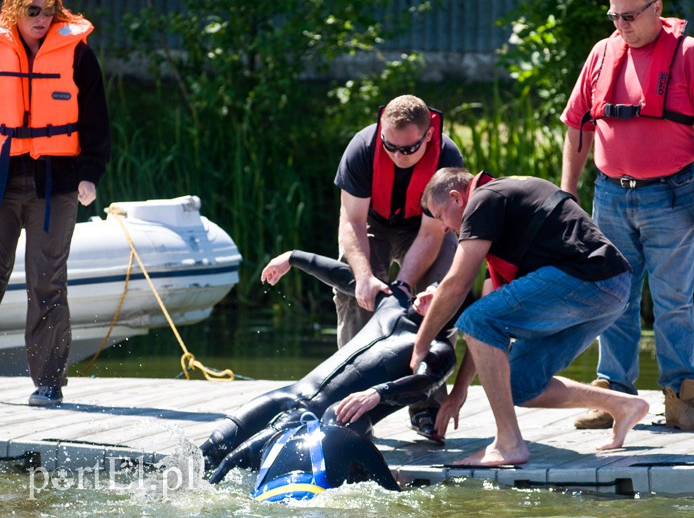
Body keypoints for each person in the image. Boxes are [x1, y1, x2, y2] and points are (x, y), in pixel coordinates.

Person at [559, 0, 694, 431]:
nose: (622, 25)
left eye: (630, 16)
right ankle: (614, 395)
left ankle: (681, 399)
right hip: (611, 195)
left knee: (673, 299)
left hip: (671, 196)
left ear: (657, 9)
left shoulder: (690, 54)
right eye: (614, 17)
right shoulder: (601, 53)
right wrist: (566, 193)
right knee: (614, 297)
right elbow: (577, 124)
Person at [409, 168, 650, 467]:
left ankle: (508, 443)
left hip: (591, 279)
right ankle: (623, 405)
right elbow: (485, 328)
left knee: (476, 319)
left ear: (457, 198)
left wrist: (421, 344)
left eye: (440, 215)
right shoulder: (501, 218)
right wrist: (458, 393)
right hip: (611, 289)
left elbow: (457, 286)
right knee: (521, 384)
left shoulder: (485, 198)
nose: (444, 228)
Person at [201, 250, 457, 484]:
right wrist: (292, 257)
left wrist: (379, 393)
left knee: (227, 467)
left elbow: (424, 384)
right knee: (209, 451)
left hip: (318, 419)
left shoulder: (439, 349)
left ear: (448, 313)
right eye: (429, 288)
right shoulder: (392, 300)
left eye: (436, 298)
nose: (424, 295)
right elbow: (343, 276)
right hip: (287, 395)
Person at [0, 0, 111, 406]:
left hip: (57, 185)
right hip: (2, 179)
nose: (42, 17)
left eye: (50, 10)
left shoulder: (78, 54)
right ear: (14, 9)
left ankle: (48, 384)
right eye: (32, 10)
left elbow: (97, 120)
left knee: (46, 282)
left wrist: (90, 175)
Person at [334, 93, 463, 435]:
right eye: (390, 147)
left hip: (424, 226)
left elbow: (431, 233)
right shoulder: (361, 149)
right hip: (372, 223)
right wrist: (364, 278)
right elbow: (352, 222)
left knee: (433, 298)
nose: (398, 155)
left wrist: (404, 285)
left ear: (428, 136)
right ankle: (349, 404)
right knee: (354, 293)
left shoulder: (446, 155)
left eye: (408, 149)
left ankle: (425, 404)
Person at [251, 412, 400, 503]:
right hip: (310, 498)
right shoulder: (353, 439)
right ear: (362, 432)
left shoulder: (278, 437)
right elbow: (393, 492)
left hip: (262, 499)